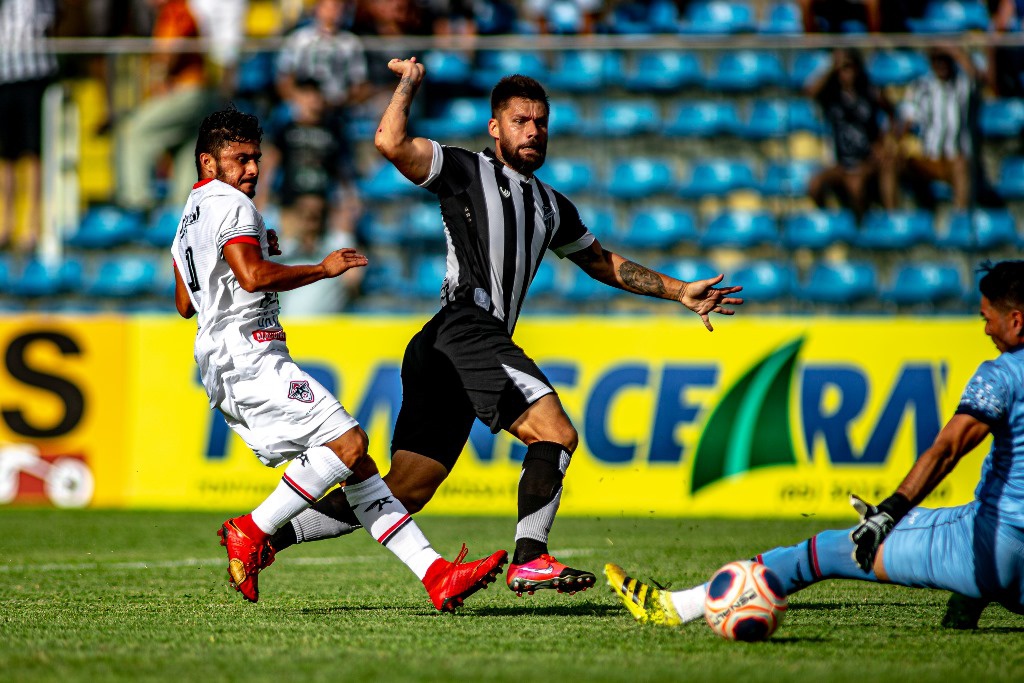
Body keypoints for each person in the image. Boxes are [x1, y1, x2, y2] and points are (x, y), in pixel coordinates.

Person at [267, 60, 743, 598]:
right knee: (555, 433)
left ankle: (265, 537)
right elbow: (389, 142)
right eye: (521, 121)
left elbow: (601, 263)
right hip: (466, 327)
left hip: (443, 344)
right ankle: (531, 558)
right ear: (495, 127)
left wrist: (679, 291)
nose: (533, 131)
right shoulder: (463, 168)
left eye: (541, 122)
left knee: (406, 489)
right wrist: (408, 84)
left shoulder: (552, 206)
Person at [171, 105, 505, 611]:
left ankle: (436, 575)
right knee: (349, 444)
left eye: (256, 158)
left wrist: (251, 253)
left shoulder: (188, 216)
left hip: (221, 361)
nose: (253, 169)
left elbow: (184, 303)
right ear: (208, 162)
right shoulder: (232, 205)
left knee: (361, 468)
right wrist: (320, 269)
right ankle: (252, 529)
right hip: (249, 354)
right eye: (241, 159)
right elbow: (252, 278)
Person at [606, 260, 1024, 630]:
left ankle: (678, 607)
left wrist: (889, 512)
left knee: (829, 550)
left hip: (998, 547)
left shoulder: (1002, 375)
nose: (985, 328)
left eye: (987, 318)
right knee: (943, 521)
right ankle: (967, 604)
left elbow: (948, 450)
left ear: (1017, 321)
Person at [259, 78, 362, 314]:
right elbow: (272, 162)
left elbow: (342, 170)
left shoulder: (332, 130)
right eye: (306, 95)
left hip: (322, 202)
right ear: (296, 98)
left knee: (331, 243)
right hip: (292, 203)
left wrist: (349, 197)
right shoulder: (287, 129)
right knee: (287, 247)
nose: (312, 101)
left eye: (316, 95)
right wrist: (262, 195)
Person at [116, 0, 219, 213]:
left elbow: (168, 53)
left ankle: (135, 204)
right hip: (199, 94)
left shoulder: (176, 10)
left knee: (133, 131)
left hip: (189, 93)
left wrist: (159, 76)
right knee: (186, 147)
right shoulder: (177, 10)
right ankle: (181, 212)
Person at [805, 48, 898, 222]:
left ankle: (863, 227)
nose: (846, 73)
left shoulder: (870, 93)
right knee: (814, 184)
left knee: (856, 184)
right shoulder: (832, 97)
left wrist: (887, 140)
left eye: (849, 67)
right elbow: (810, 92)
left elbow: (892, 113)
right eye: (841, 69)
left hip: (867, 161)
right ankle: (830, 222)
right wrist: (832, 66)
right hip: (841, 162)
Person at [0, 0, 59, 252]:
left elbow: (53, 20)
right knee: (7, 156)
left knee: (33, 151)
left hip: (34, 73)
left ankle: (33, 224)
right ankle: (6, 222)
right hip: (5, 74)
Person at [896, 46, 981, 210]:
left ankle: (960, 217)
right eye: (936, 60)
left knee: (960, 165)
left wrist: (952, 49)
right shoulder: (920, 86)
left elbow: (975, 75)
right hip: (928, 157)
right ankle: (894, 218)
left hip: (954, 158)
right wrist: (898, 145)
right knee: (892, 160)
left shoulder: (962, 84)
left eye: (944, 59)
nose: (941, 64)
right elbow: (908, 119)